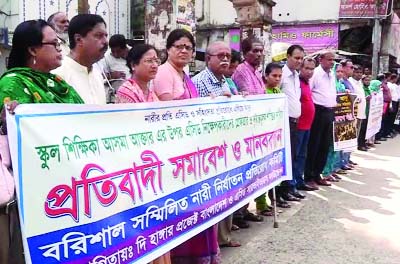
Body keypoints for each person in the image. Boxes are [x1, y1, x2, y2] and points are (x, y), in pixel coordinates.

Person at [0, 19, 84, 264]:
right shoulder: (12, 83)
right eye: (54, 43)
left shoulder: (58, 84)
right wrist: (11, 117)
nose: (60, 48)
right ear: (33, 50)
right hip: (37, 193)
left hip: (74, 180)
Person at [153, 29, 220, 264]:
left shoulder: (185, 75)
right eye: (178, 46)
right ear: (168, 49)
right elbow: (168, 112)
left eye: (188, 47)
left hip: (191, 151)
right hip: (173, 150)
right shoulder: (164, 73)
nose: (183, 51)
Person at [115, 44, 170, 264]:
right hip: (136, 166)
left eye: (157, 60)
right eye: (149, 60)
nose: (155, 64)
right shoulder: (127, 92)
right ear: (133, 64)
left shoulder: (150, 91)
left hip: (153, 164)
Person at [53, 14, 108, 104]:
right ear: (78, 39)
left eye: (106, 36)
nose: (105, 41)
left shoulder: (97, 73)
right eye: (99, 36)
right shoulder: (58, 75)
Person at [304, 50, 337, 188]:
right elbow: (309, 92)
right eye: (329, 59)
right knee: (314, 145)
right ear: (321, 59)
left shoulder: (331, 74)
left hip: (329, 112)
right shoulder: (316, 73)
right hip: (318, 112)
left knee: (325, 145)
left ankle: (318, 174)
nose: (332, 62)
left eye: (333, 60)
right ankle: (309, 176)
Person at [280, 44, 305, 202]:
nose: (299, 61)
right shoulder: (281, 74)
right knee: (284, 157)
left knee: (293, 156)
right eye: (296, 58)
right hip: (284, 122)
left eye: (301, 58)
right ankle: (281, 192)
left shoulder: (296, 75)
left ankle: (290, 188)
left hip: (295, 122)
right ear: (288, 56)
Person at [294, 57, 318, 192]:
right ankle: (293, 184)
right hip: (298, 125)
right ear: (300, 68)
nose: (309, 71)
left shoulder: (307, 82)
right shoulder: (296, 82)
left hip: (307, 125)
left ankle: (299, 181)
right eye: (306, 68)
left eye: (312, 69)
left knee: (303, 155)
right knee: (296, 156)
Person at [98, 34, 131, 102]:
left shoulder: (134, 53)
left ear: (125, 48)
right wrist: (111, 75)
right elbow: (99, 76)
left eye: (118, 52)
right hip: (116, 95)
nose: (115, 54)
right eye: (113, 51)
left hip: (133, 92)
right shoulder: (106, 57)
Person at [349, 65, 368, 151]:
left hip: (360, 113)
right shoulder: (350, 82)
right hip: (353, 113)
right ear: (353, 72)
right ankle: (345, 159)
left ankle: (349, 157)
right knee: (350, 135)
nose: (359, 74)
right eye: (357, 72)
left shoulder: (360, 83)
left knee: (355, 135)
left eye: (360, 73)